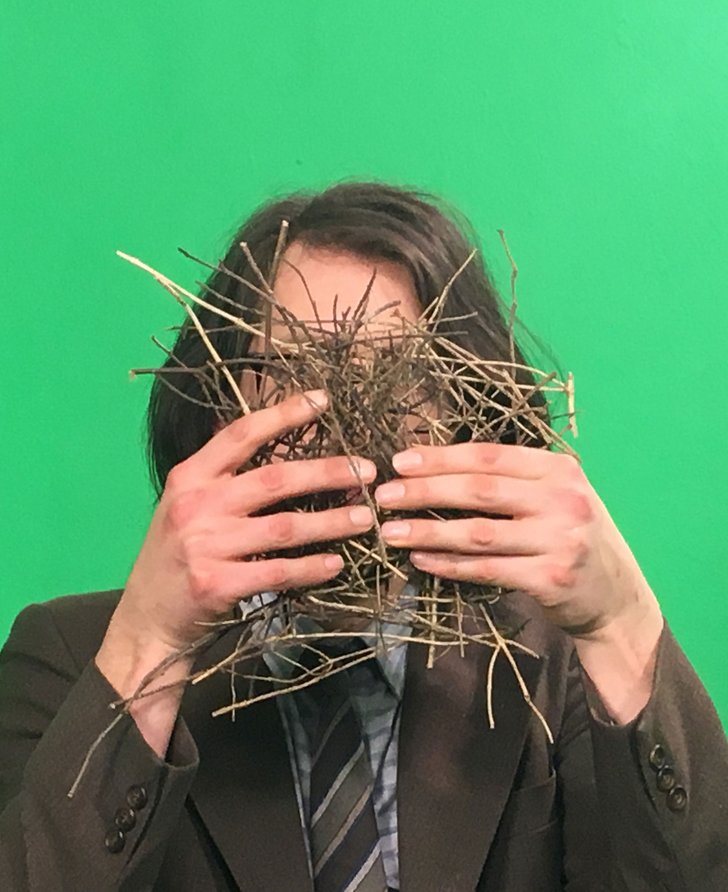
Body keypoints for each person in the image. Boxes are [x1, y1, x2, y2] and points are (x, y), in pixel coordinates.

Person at [0, 182, 726, 892]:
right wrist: (148, 648)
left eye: (400, 374)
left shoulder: (551, 669)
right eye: (293, 371)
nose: (342, 425)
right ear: (223, 408)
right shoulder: (71, 660)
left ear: (465, 413)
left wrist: (623, 625)